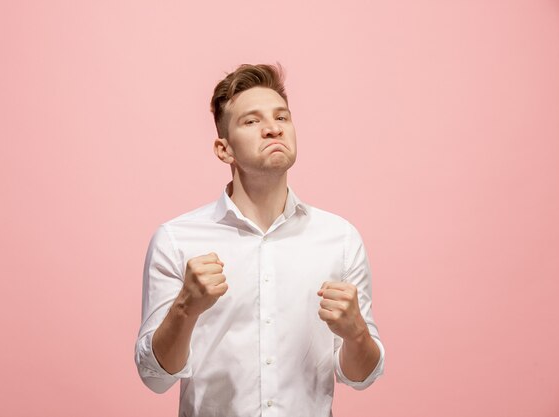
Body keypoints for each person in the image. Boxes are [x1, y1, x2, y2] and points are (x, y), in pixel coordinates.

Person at [134, 63, 385, 417]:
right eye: (251, 121)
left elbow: (361, 377)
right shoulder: (177, 239)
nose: (272, 129)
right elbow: (155, 377)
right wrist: (185, 306)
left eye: (281, 118)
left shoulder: (339, 238)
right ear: (224, 150)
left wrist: (356, 332)